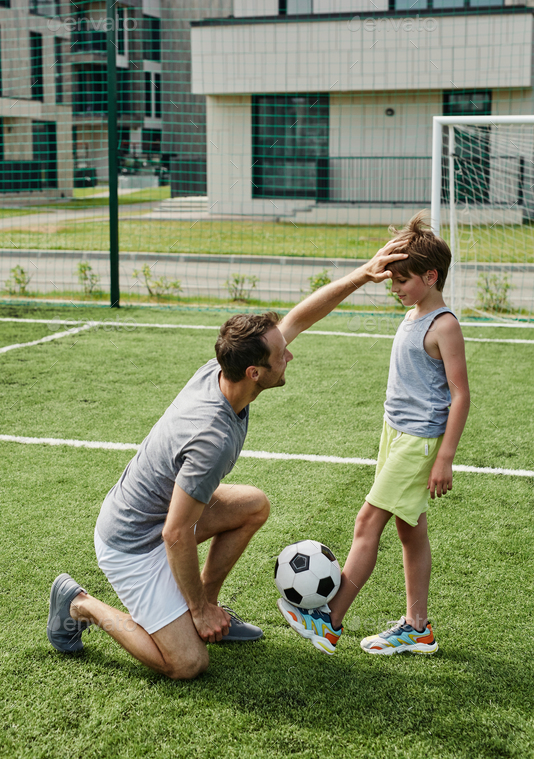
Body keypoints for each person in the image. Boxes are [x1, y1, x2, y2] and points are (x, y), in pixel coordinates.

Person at [47, 240, 407, 680]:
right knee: (186, 664)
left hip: (159, 518)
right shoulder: (211, 436)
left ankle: (209, 607)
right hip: (132, 544)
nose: (289, 354)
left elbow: (297, 319)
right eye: (281, 355)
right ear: (256, 373)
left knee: (253, 504)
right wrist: (194, 610)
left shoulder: (227, 367)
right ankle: (80, 603)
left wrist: (361, 274)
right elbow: (176, 533)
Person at [278, 213, 470, 656]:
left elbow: (460, 395)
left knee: (367, 521)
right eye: (392, 281)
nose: (396, 288)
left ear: (430, 275)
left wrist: (445, 457)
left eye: (402, 280)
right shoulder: (413, 314)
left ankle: (329, 621)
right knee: (410, 529)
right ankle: (417, 627)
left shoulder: (444, 325)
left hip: (419, 442)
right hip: (395, 434)